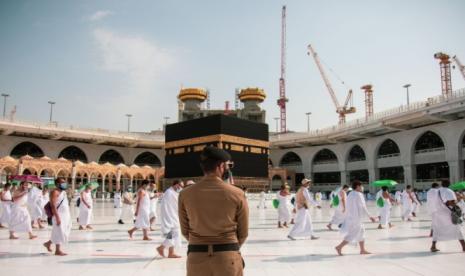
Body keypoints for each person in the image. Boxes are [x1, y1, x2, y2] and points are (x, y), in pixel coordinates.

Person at [179, 146, 248, 276]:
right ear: (221, 166)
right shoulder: (237, 193)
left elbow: (185, 231)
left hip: (196, 258)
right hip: (227, 258)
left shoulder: (185, 194)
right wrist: (228, 248)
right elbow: (243, 233)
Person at [335, 180, 376, 256]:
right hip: (356, 219)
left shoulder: (350, 194)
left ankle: (362, 250)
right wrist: (370, 216)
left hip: (352, 218)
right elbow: (363, 207)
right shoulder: (358, 194)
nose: (362, 187)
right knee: (352, 234)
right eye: (361, 186)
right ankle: (339, 247)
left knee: (361, 233)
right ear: (357, 186)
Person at [430, 180, 465, 252]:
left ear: (441, 184)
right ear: (449, 184)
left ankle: (433, 246)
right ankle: (464, 247)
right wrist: (458, 199)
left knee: (437, 230)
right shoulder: (449, 191)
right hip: (447, 213)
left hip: (438, 213)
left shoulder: (437, 191)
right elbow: (451, 203)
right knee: (456, 229)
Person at [43, 178, 72, 256]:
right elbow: (53, 206)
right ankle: (57, 250)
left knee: (62, 231)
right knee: (60, 232)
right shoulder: (54, 192)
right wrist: (57, 217)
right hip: (59, 215)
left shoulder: (63, 192)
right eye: (62, 183)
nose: (64, 184)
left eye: (65, 182)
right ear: (57, 184)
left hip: (66, 215)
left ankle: (48, 243)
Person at [157, 179, 184, 258]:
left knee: (172, 235)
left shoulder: (173, 192)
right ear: (176, 184)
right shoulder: (169, 193)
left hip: (173, 216)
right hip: (170, 218)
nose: (181, 188)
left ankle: (171, 253)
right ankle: (161, 248)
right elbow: (166, 207)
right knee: (174, 234)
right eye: (180, 186)